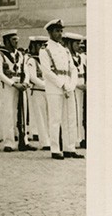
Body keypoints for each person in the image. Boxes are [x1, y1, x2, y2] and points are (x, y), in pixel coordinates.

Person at [39, 20, 82, 160]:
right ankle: (55, 149)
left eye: (60, 31)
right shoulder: (45, 49)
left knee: (70, 118)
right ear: (50, 32)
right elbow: (46, 71)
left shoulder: (65, 50)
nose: (59, 34)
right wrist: (61, 84)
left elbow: (73, 69)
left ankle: (70, 148)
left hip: (68, 86)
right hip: (54, 87)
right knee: (55, 119)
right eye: (56, 31)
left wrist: (71, 84)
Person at [0, 31, 27, 152]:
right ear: (6, 41)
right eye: (13, 40)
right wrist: (13, 84)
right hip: (8, 85)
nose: (16, 42)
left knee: (22, 112)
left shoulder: (20, 55)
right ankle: (9, 142)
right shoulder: (0, 54)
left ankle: (24, 140)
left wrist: (25, 82)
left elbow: (25, 70)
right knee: (8, 113)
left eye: (17, 39)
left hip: (20, 85)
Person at [24, 36, 50, 151]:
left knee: (49, 117)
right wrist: (46, 85)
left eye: (44, 45)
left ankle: (50, 139)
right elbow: (33, 77)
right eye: (40, 45)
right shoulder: (31, 60)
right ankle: (45, 142)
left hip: (48, 91)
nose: (42, 48)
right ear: (34, 46)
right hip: (38, 91)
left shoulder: (46, 60)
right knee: (40, 117)